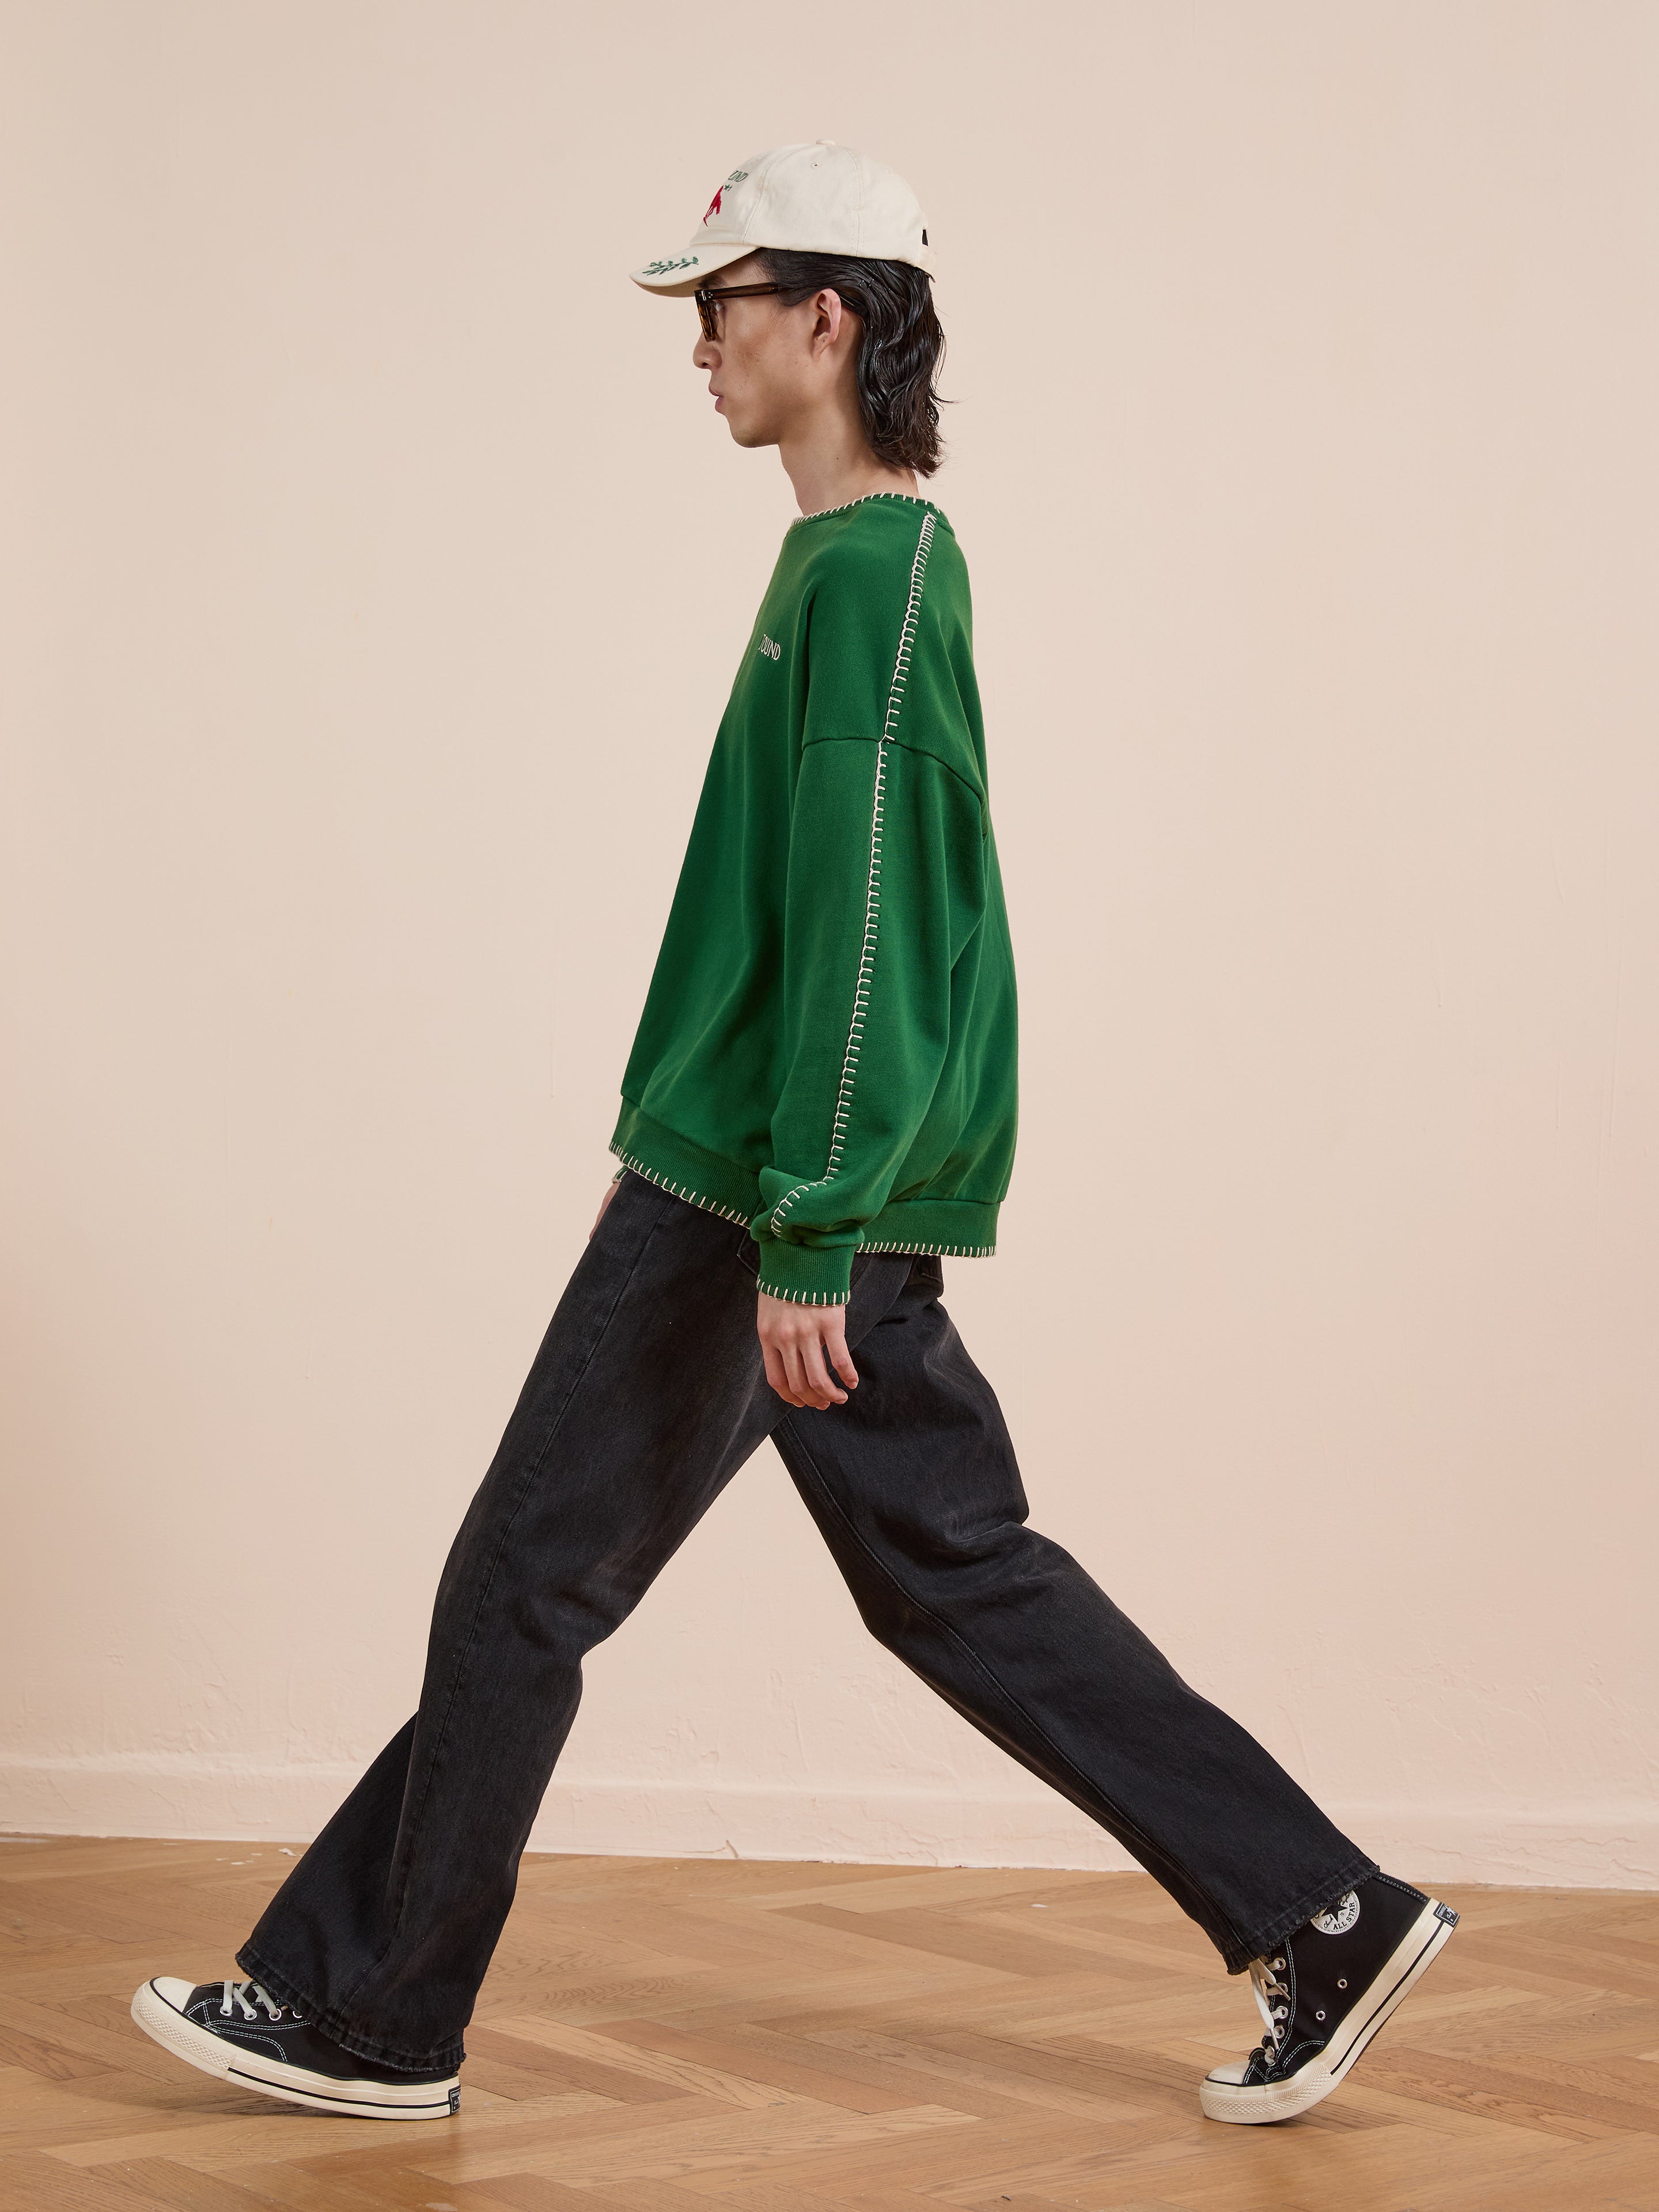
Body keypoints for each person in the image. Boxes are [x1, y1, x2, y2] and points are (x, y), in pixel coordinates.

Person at [131, 141, 1455, 2130]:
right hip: (756, 1170)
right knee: (953, 1573)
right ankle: (1322, 1912)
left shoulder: (879, 572)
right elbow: (793, 929)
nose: (700, 351)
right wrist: (734, 1164)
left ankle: (379, 2015)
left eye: (721, 310)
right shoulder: (850, 561)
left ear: (827, 319)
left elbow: (861, 931)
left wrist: (809, 1228)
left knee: (520, 1589)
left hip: (766, 1191)